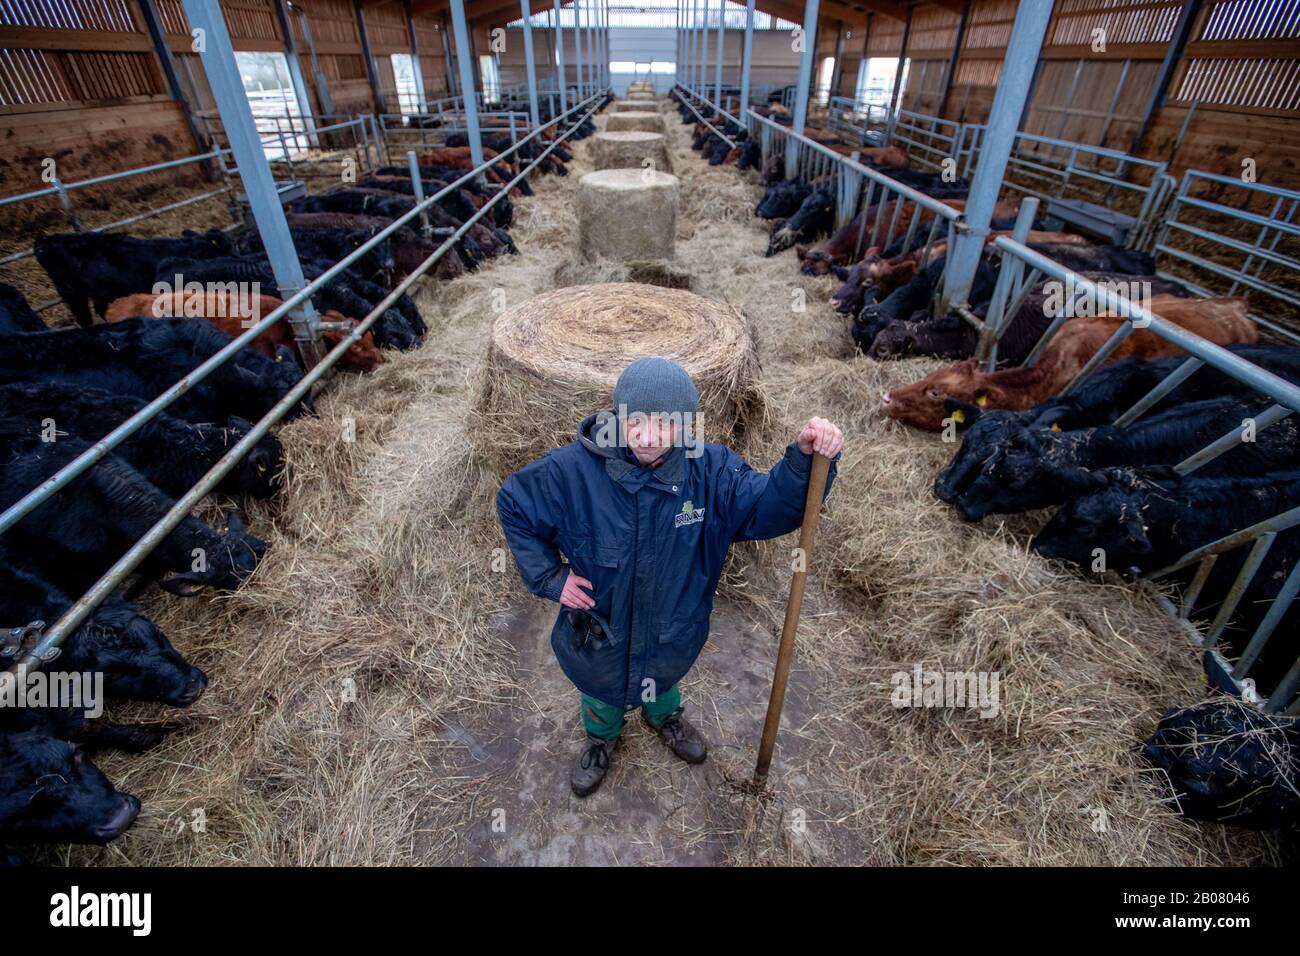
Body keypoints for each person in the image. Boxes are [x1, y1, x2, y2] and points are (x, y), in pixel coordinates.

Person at [497, 356, 843, 797]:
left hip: (673, 627)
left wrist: (803, 464)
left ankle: (665, 718)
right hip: (602, 629)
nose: (648, 437)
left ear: (685, 424)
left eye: (665, 423)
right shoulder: (571, 472)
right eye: (636, 421)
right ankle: (602, 738)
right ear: (618, 415)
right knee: (601, 690)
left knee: (664, 677)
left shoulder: (712, 473)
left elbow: (769, 508)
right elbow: (514, 503)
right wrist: (550, 576)